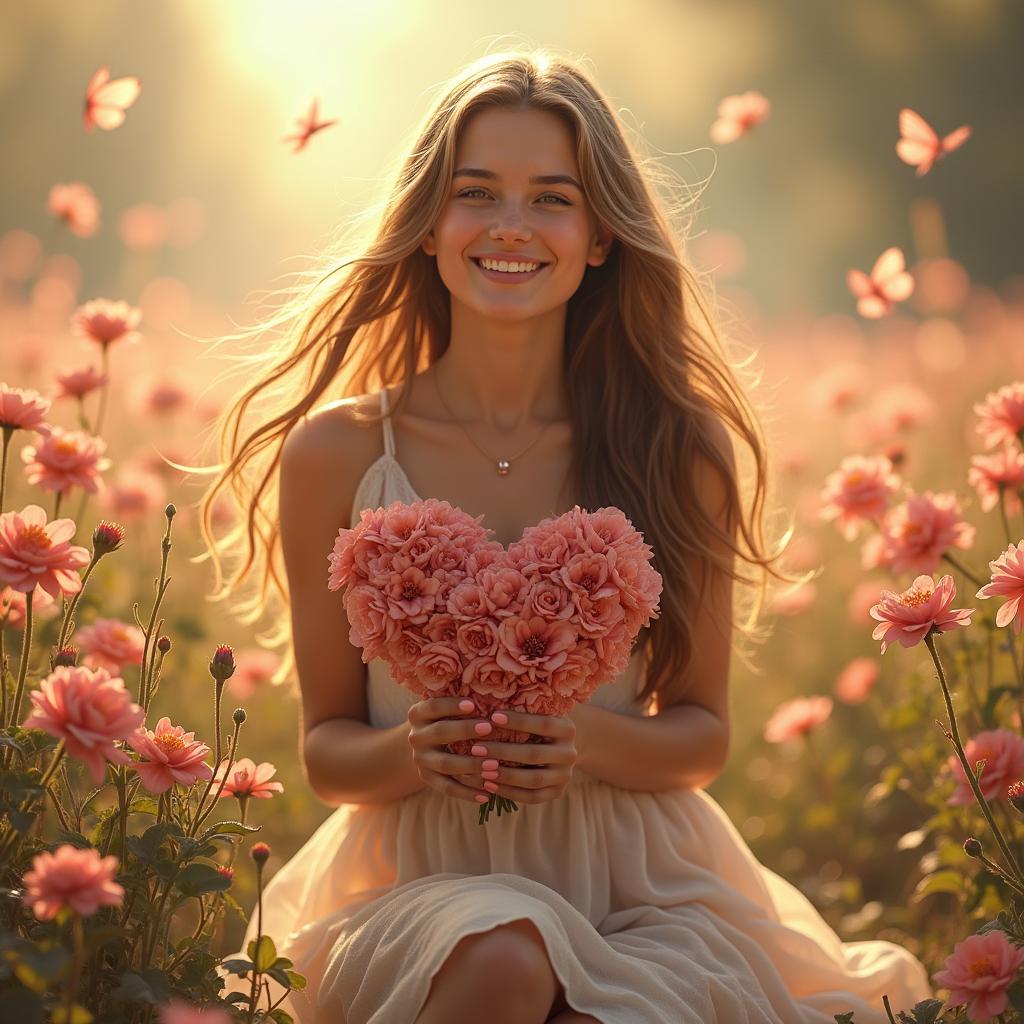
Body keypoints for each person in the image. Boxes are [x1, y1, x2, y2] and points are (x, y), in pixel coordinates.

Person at [201, 47, 933, 1024]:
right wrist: (418, 751)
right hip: (418, 881)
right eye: (477, 193)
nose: (510, 226)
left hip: (642, 883)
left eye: (552, 198)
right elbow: (330, 751)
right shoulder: (338, 452)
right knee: (505, 958)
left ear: (598, 238)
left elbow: (701, 733)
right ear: (429, 224)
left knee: (605, 1008)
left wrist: (579, 739)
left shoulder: (676, 447)